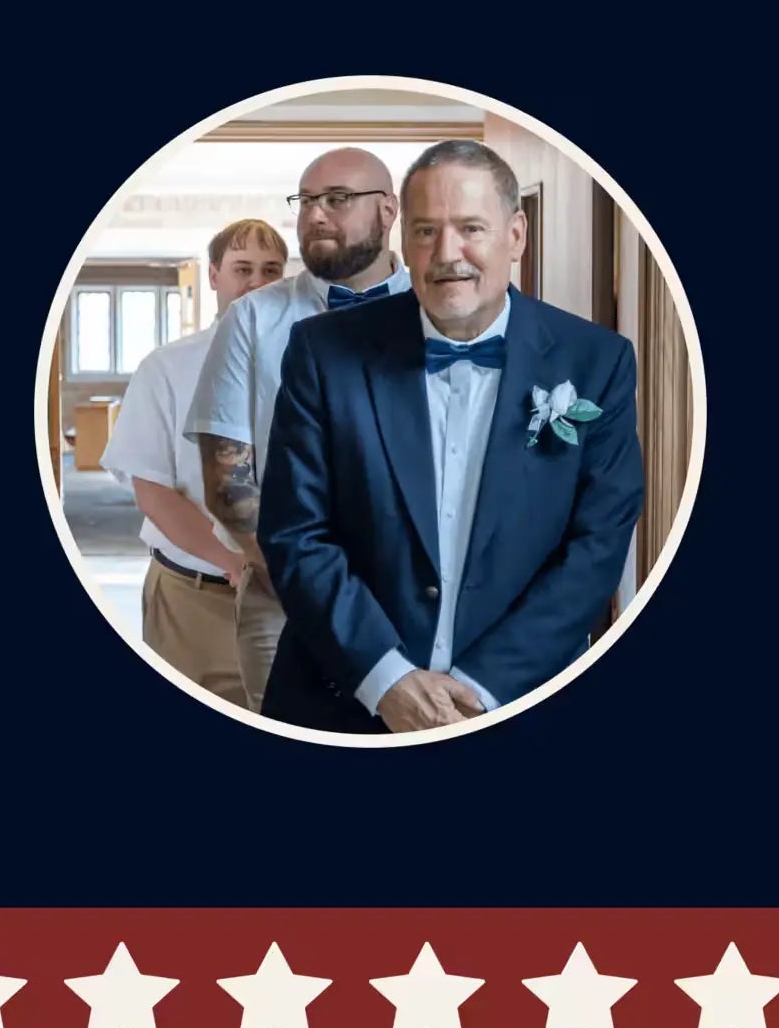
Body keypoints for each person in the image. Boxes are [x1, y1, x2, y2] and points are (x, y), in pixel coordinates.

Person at [258, 139, 645, 733]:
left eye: (470, 228)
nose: (448, 254)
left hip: (521, 696)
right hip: (340, 702)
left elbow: (596, 548)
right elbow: (295, 534)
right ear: (402, 239)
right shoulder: (322, 352)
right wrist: (385, 679)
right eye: (425, 231)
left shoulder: (597, 362)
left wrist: (481, 690)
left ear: (515, 236)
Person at [183, 148, 410, 712]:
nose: (315, 215)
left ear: (387, 211)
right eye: (306, 201)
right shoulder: (253, 318)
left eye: (337, 200)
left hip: (415, 595)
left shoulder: (438, 312)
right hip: (282, 598)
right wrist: (316, 586)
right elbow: (228, 484)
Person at [98, 220, 289, 705]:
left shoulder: (312, 362)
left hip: (293, 603)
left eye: (271, 270)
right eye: (242, 268)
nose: (257, 282)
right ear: (214, 276)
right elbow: (154, 493)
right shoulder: (166, 368)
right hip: (195, 597)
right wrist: (238, 564)